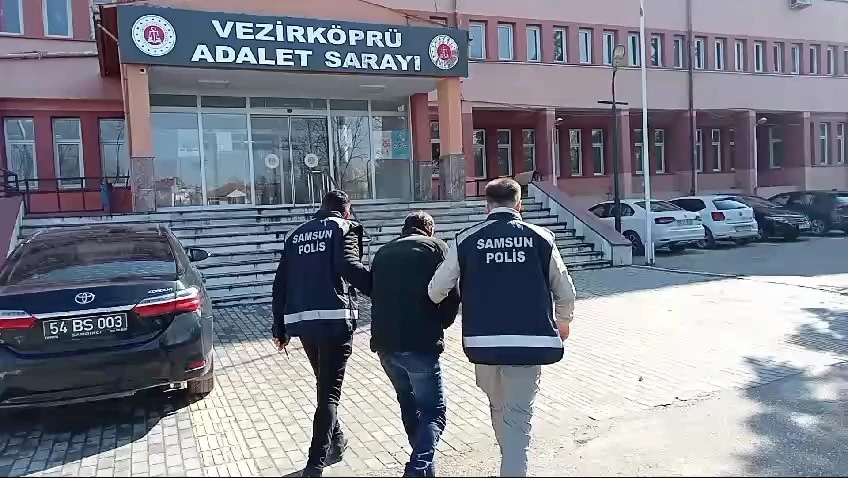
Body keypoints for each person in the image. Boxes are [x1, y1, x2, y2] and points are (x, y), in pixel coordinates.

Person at [427, 178, 576, 477]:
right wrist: (563, 322)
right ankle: (513, 465)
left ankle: (510, 460)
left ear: (487, 205)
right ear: (519, 205)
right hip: (530, 345)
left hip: (482, 346)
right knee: (518, 418)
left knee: (499, 408)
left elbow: (436, 290)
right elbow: (565, 291)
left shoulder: (466, 239)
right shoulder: (541, 238)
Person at [271, 190, 371, 478]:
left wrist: (279, 328)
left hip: (304, 324)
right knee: (329, 394)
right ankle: (315, 464)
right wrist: (381, 290)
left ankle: (336, 442)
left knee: (324, 385)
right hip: (335, 322)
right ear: (346, 210)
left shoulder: (296, 235)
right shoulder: (344, 228)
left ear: (322, 207)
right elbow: (348, 266)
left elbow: (280, 284)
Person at [369, 211, 460, 477]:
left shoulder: (383, 252)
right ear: (429, 230)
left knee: (409, 406)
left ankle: (423, 470)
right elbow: (453, 293)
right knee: (434, 412)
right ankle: (417, 469)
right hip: (420, 343)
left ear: (404, 229)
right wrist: (441, 323)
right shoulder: (436, 248)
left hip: (385, 344)